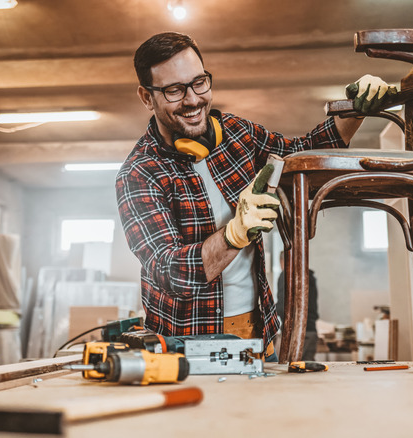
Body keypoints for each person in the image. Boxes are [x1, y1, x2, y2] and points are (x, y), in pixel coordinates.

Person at [116, 32, 394, 362]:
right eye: (174, 90)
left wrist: (354, 111)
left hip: (259, 328)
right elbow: (169, 271)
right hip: (186, 346)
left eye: (199, 83)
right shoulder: (139, 173)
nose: (192, 100)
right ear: (147, 97)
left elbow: (298, 157)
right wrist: (234, 234)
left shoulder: (238, 135)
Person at [275, 252, 319, 361]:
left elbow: (282, 306)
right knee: (308, 371)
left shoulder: (287, 275)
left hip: (294, 333)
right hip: (310, 331)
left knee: (291, 372)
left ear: (282, 261)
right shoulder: (309, 275)